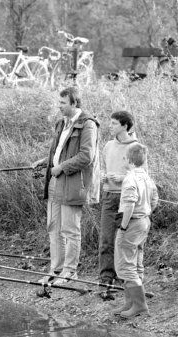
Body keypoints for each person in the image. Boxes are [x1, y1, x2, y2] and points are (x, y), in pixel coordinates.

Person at [32, 87, 100, 286]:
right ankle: (56, 270)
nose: (59, 106)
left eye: (62, 103)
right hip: (54, 181)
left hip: (72, 183)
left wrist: (61, 167)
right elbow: (60, 151)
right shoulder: (61, 123)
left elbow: (87, 156)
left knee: (70, 230)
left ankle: (70, 272)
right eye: (59, 102)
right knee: (53, 227)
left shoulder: (88, 125)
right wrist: (45, 161)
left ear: (74, 103)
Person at [113, 143, 158, 318]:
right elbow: (154, 200)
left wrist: (124, 226)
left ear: (129, 159)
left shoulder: (130, 178)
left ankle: (140, 306)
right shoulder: (147, 177)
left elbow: (130, 203)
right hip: (144, 222)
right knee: (136, 262)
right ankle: (130, 303)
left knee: (125, 264)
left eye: (124, 157)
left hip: (132, 223)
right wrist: (145, 214)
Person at [98, 111, 139, 299]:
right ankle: (106, 279)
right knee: (106, 239)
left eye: (114, 123)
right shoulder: (108, 146)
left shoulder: (136, 147)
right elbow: (103, 167)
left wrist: (123, 178)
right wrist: (104, 176)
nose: (111, 126)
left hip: (127, 199)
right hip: (108, 197)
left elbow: (140, 176)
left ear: (125, 126)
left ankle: (126, 277)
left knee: (123, 240)